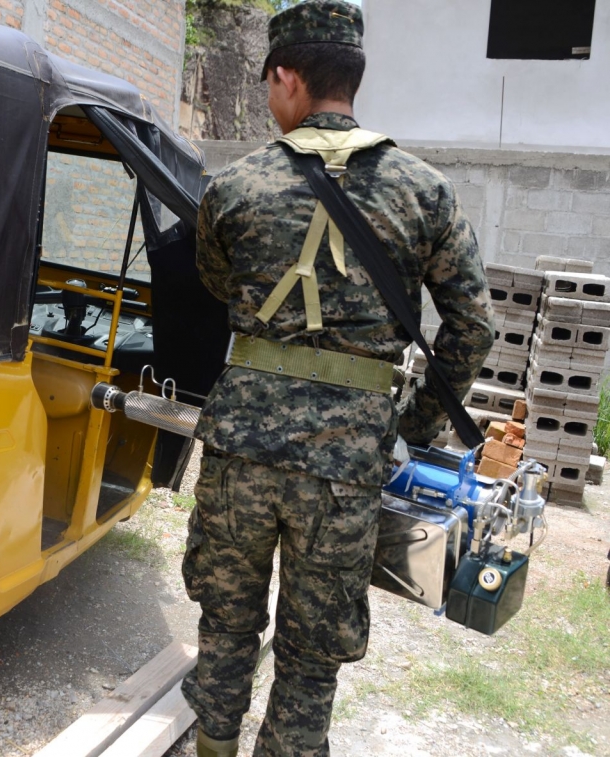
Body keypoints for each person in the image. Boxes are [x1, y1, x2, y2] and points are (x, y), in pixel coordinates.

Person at [180, 2, 495, 756]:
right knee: (313, 654)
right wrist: (410, 425)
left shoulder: (234, 186)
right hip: (347, 466)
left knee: (225, 625)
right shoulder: (425, 192)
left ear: (286, 77)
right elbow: (473, 327)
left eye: (267, 84)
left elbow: (217, 285)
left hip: (241, 452)